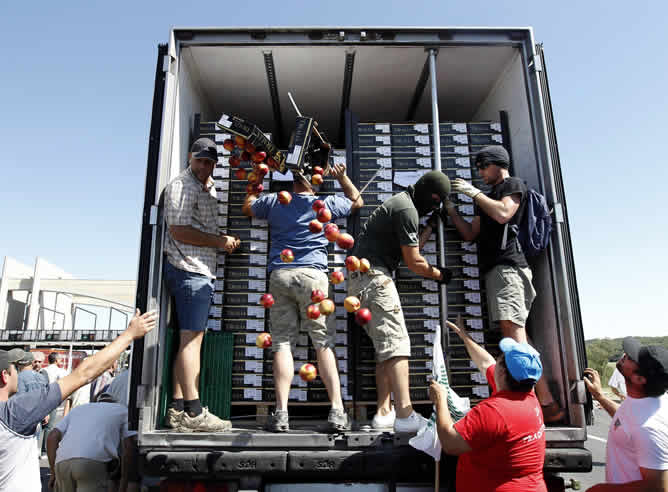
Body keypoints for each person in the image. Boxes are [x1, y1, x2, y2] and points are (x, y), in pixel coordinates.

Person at [442, 145, 564, 423]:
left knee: (514, 337)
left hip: (509, 268)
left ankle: (539, 404)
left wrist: (474, 193)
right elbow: (470, 234)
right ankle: (546, 403)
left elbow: (503, 213)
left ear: (498, 164)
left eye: (484, 167)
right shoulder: (484, 198)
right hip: (495, 271)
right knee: (517, 336)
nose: (481, 173)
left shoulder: (512, 184)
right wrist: (451, 209)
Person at [242, 163, 363, 432]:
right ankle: (337, 411)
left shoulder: (274, 201)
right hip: (314, 276)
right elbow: (358, 201)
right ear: (317, 180)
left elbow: (248, 207)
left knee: (282, 343)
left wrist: (256, 177)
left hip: (280, 276)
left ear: (292, 178)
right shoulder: (327, 203)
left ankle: (282, 414)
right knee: (323, 342)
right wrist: (343, 177)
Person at [0, 309, 157, 492]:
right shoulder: (16, 412)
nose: (19, 375)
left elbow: (53, 436)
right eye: (15, 370)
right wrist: (129, 334)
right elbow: (84, 373)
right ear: (5, 376)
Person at [349, 170, 451, 432]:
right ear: (430, 195)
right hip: (374, 278)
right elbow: (414, 262)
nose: (435, 205)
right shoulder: (407, 209)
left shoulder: (403, 204)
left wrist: (428, 226)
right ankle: (405, 414)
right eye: (436, 200)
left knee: (385, 348)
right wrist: (439, 274)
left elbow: (410, 247)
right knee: (396, 343)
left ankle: (384, 413)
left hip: (362, 279)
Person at [163, 137, 241, 432]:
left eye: (210, 162)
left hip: (199, 270)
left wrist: (219, 239)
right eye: (200, 160)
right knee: (192, 341)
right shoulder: (182, 186)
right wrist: (219, 242)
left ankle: (177, 409)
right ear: (189, 157)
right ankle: (195, 412)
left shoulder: (206, 186)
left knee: (189, 340)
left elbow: (201, 227)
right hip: (190, 270)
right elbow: (180, 230)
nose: (205, 166)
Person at [429, 318, 547, 491]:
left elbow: (450, 442)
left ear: (503, 372)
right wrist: (464, 336)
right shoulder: (527, 395)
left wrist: (440, 400)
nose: (497, 360)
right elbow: (486, 363)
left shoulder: (494, 412)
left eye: (501, 358)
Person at [584, 338, 668, 491]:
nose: (624, 354)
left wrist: (601, 490)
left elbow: (657, 487)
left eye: (630, 358)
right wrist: (600, 396)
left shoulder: (649, 429)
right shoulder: (650, 400)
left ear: (639, 379)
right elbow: (627, 419)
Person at [47, 392, 134, 492]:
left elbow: (52, 437)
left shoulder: (78, 409)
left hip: (62, 462)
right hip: (92, 463)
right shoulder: (122, 410)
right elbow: (129, 448)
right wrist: (124, 481)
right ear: (115, 401)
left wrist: (53, 472)